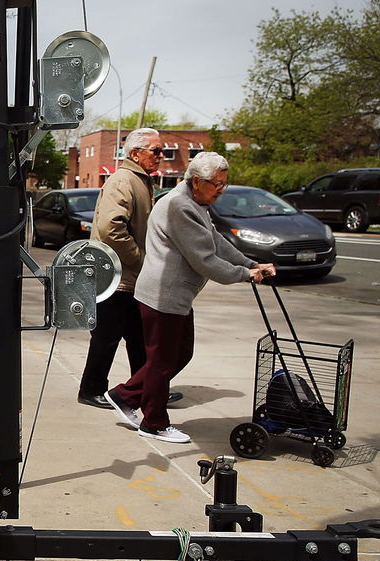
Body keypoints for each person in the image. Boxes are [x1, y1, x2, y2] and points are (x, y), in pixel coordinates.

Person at [103, 152, 276, 443]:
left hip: (176, 295)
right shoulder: (178, 207)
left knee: (179, 354)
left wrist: (250, 263)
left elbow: (215, 241)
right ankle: (154, 422)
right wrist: (245, 275)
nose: (221, 190)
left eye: (224, 183)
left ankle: (124, 395)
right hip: (163, 295)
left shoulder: (196, 203)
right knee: (162, 361)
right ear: (197, 181)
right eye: (216, 184)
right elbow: (205, 260)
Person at [77, 128, 181, 409]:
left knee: (141, 338)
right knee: (107, 337)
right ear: (136, 153)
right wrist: (140, 259)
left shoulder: (140, 180)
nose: (161, 156)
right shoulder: (123, 180)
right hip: (116, 276)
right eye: (156, 151)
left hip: (131, 277)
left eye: (161, 151)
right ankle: (91, 390)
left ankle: (147, 389)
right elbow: (110, 228)